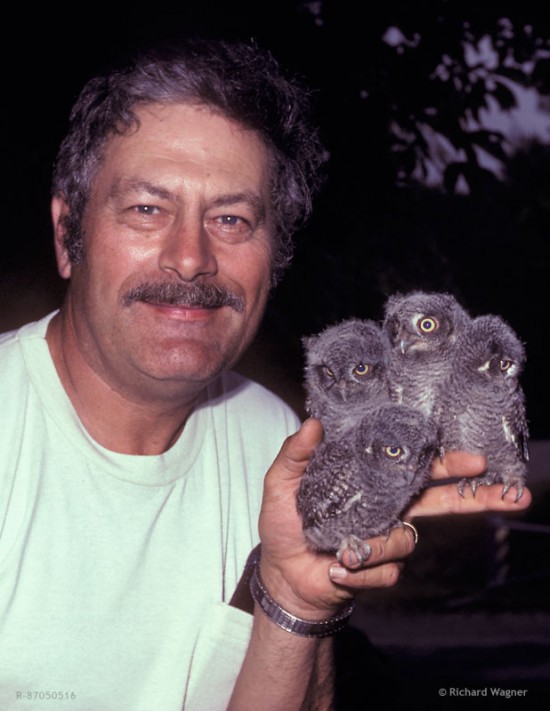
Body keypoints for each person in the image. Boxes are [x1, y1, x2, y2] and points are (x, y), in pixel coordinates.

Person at [0, 38, 531, 711]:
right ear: (67, 234)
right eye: (146, 209)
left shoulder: (275, 445)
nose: (190, 257)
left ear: (273, 259)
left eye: (230, 218)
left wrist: (293, 602)